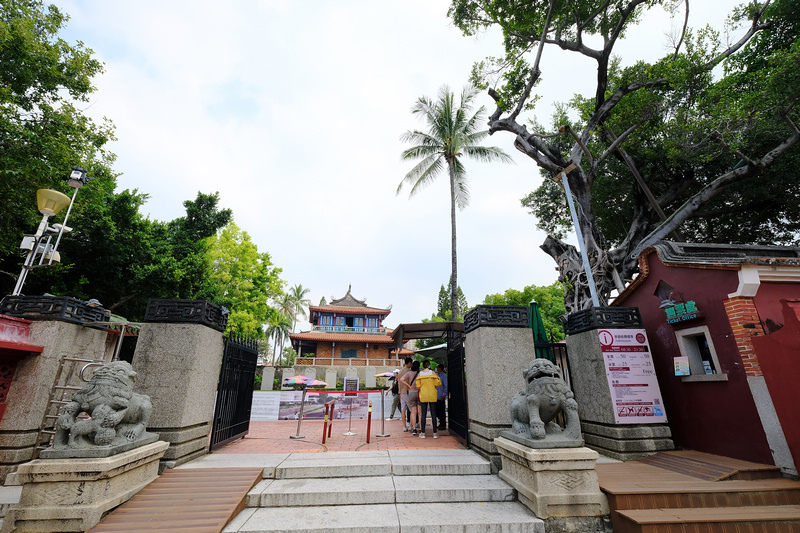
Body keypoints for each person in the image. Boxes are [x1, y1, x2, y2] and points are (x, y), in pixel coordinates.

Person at [416, 360, 442, 438]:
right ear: (429, 365)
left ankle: (423, 433)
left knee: (423, 414)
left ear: (423, 366)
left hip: (423, 395)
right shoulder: (433, 373)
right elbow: (438, 383)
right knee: (433, 414)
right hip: (432, 394)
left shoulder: (420, 374)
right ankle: (434, 433)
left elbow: (418, 386)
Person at [400, 360, 421, 435]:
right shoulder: (420, 374)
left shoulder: (409, 373)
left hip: (411, 392)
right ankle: (421, 429)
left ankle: (414, 429)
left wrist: (408, 386)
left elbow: (401, 379)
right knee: (420, 413)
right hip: (419, 392)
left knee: (413, 412)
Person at [396, 357, 413, 431]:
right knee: (412, 410)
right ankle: (411, 426)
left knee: (403, 410)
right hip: (408, 392)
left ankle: (404, 426)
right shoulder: (409, 371)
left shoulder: (400, 372)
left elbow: (399, 383)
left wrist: (399, 392)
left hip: (402, 392)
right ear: (409, 363)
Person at [436, 365, 448, 430]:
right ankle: (440, 423)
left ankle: (443, 424)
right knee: (437, 410)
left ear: (440, 368)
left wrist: (444, 394)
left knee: (441, 411)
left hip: (441, 396)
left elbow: (446, 386)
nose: (436, 369)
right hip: (436, 396)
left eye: (437, 367)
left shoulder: (444, 376)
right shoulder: (437, 376)